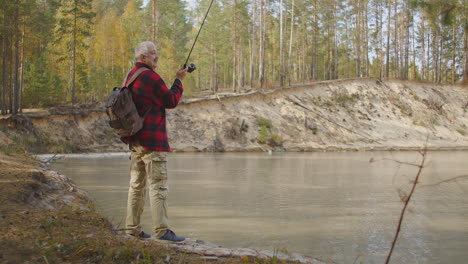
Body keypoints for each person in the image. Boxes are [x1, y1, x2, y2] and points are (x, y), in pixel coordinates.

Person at [122, 41, 187, 242]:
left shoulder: (130, 75)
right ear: (143, 57)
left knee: (136, 186)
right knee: (158, 185)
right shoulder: (150, 76)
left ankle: (132, 229)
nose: (156, 57)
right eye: (152, 54)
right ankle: (162, 231)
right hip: (152, 141)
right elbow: (170, 100)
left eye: (156, 53)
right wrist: (179, 80)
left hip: (136, 141)